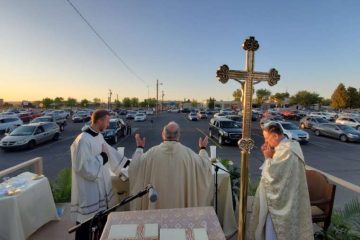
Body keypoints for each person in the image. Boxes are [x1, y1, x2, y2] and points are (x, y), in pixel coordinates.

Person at [70, 109, 140, 240]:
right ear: (100, 121)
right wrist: (102, 157)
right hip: (89, 190)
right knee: (87, 223)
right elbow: (83, 168)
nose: (108, 125)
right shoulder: (83, 140)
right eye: (107, 122)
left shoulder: (98, 136)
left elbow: (110, 152)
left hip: (101, 187)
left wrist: (128, 164)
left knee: (100, 219)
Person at [247, 122, 313, 240]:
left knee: (274, 229)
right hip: (288, 195)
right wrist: (270, 154)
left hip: (281, 201)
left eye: (267, 138)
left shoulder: (287, 151)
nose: (266, 142)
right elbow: (279, 171)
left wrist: (267, 157)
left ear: (276, 136)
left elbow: (272, 177)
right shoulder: (291, 145)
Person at [128, 121, 213, 210]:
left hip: (156, 212)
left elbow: (135, 166)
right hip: (181, 213)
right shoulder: (189, 154)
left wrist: (139, 148)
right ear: (179, 136)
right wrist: (203, 149)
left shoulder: (151, 154)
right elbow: (204, 166)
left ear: (162, 135)